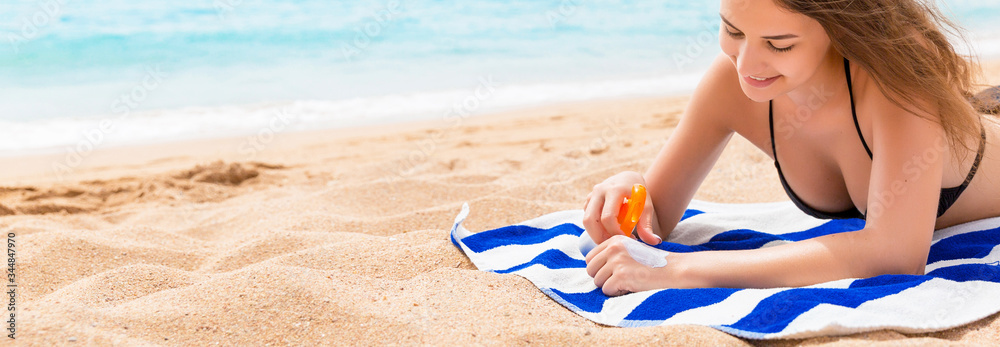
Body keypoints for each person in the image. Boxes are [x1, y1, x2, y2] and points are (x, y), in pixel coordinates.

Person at [582, 0, 1000, 296]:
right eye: (732, 31)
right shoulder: (731, 83)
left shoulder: (894, 72)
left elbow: (895, 255)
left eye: (778, 44)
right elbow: (651, 228)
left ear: (840, 29)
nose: (746, 64)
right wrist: (631, 187)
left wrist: (680, 270)